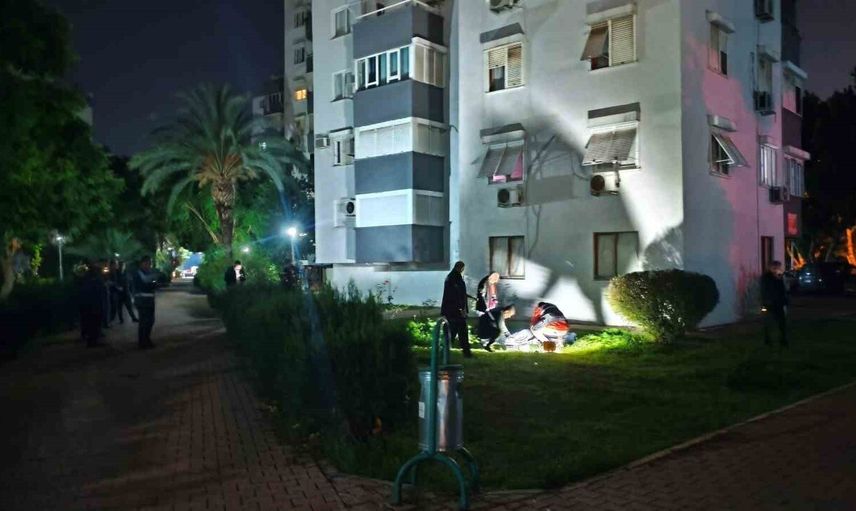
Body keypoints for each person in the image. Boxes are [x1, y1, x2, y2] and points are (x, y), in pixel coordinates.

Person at [441, 261, 472, 357]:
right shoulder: (455, 278)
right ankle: (446, 353)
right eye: (462, 268)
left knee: (458, 331)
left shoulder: (451, 277)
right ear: (460, 268)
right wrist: (461, 309)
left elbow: (457, 293)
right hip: (455, 311)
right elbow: (456, 294)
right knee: (456, 331)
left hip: (452, 310)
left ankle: (446, 352)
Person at [132, 256, 159, 349]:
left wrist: (153, 283)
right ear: (141, 263)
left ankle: (146, 339)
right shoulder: (138, 273)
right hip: (142, 300)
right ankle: (143, 341)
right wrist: (152, 282)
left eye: (149, 263)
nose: (148, 265)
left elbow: (152, 284)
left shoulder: (147, 273)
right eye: (146, 263)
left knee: (150, 321)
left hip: (149, 299)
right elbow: (145, 283)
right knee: (144, 321)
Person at [760, 260, 789, 347]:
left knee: (782, 323)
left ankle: (783, 340)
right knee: (768, 322)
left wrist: (785, 302)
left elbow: (782, 290)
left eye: (779, 267)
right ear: (771, 268)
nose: (778, 269)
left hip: (779, 304)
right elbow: (767, 290)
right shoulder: (766, 277)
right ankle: (768, 340)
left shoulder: (779, 277)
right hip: (768, 304)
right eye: (776, 267)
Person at [79, 262, 105, 347]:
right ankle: (93, 341)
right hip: (94, 304)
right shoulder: (94, 279)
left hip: (90, 304)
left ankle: (92, 340)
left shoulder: (87, 278)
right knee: (94, 322)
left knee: (92, 322)